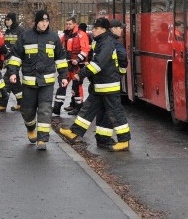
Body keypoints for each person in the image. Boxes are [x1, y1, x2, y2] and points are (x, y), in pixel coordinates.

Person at [58, 17, 131, 152]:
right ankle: (74, 132)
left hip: (108, 86)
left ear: (103, 30)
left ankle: (124, 141)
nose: (94, 31)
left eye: (96, 29)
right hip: (101, 85)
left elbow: (98, 64)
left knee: (116, 113)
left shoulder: (107, 43)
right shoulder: (101, 41)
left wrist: (81, 74)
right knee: (88, 109)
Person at [7, 9, 68, 150]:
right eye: (42, 21)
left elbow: (60, 59)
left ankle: (42, 140)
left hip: (47, 83)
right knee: (27, 111)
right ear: (36, 22)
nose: (44, 24)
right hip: (29, 82)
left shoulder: (54, 38)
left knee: (45, 110)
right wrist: (13, 72)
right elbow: (15, 56)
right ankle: (30, 128)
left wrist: (63, 76)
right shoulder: (25, 36)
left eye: (47, 21)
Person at [92, 18, 129, 149]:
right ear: (113, 29)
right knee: (112, 110)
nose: (122, 30)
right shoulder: (114, 43)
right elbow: (123, 57)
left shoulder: (101, 41)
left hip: (100, 82)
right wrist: (120, 72)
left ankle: (102, 138)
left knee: (103, 110)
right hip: (110, 82)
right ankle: (120, 140)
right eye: (120, 27)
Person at [52, 17, 90, 117]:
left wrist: (77, 60)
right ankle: (57, 107)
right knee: (62, 85)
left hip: (78, 65)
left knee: (77, 86)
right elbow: (59, 48)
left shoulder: (81, 35)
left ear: (74, 24)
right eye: (67, 24)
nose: (68, 26)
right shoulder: (65, 36)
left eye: (69, 24)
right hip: (67, 65)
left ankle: (78, 107)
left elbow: (85, 50)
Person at [0, 12, 24, 111]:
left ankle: (2, 104)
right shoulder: (7, 31)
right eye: (5, 20)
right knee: (15, 82)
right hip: (8, 59)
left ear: (13, 20)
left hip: (16, 59)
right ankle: (22, 102)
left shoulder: (20, 31)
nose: (6, 21)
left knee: (7, 79)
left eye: (8, 19)